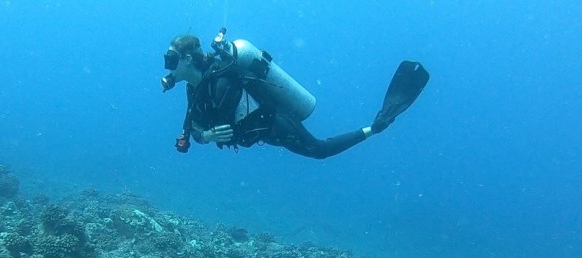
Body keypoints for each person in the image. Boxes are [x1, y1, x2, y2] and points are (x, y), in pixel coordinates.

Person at [161, 32, 429, 159]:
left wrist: (207, 133)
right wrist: (205, 135)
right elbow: (194, 131)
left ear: (187, 59)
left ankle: (377, 125)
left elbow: (223, 125)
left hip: (273, 122)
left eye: (172, 59)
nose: (168, 66)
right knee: (317, 152)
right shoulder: (193, 89)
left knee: (319, 150)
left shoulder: (221, 77)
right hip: (258, 133)